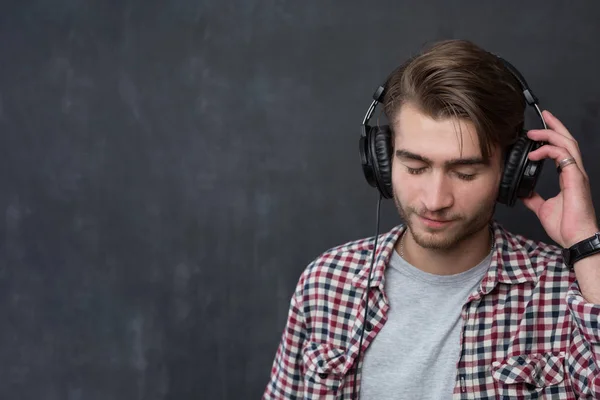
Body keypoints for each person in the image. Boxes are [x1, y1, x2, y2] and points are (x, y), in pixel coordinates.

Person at [262, 39, 600, 399]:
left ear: (512, 171)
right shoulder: (326, 284)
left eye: (465, 172)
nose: (434, 200)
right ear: (381, 160)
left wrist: (585, 241)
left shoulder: (567, 291)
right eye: (415, 167)